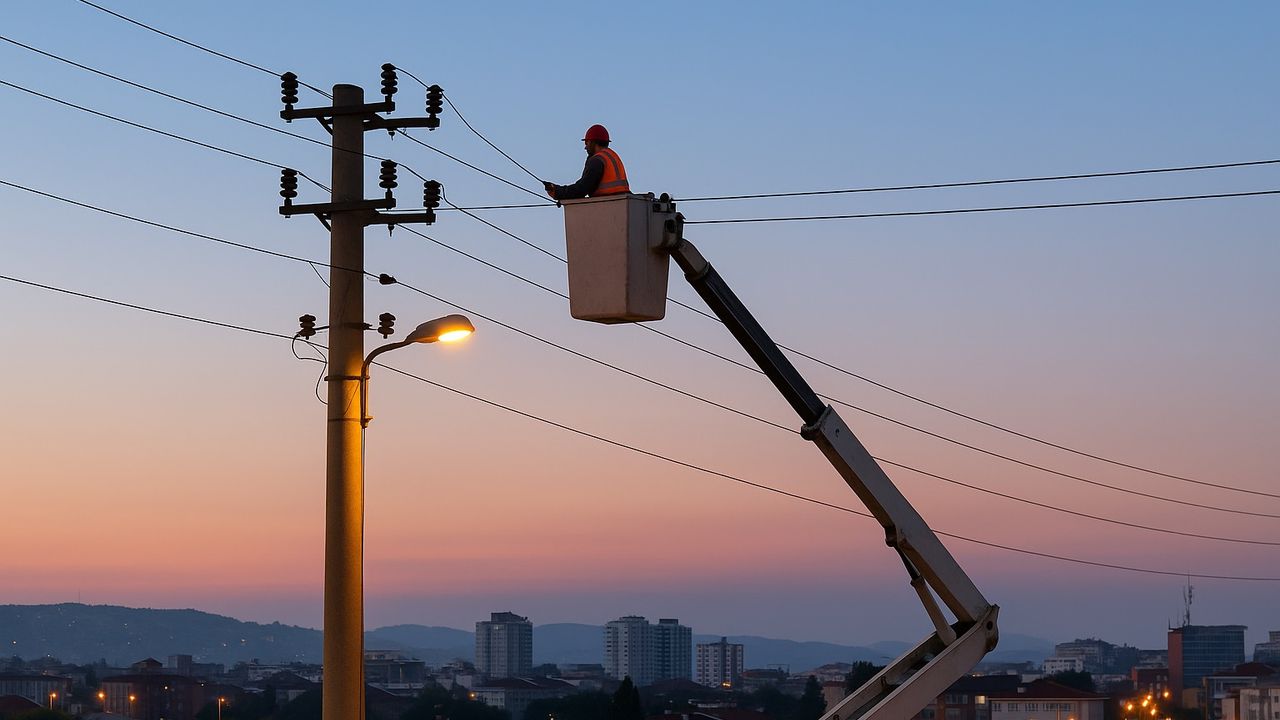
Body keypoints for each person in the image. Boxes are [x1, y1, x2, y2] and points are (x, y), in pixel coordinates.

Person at [543, 124, 630, 200]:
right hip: (622, 202)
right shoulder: (612, 156)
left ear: (593, 142)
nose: (585, 147)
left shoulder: (597, 160)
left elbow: (581, 189)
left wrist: (558, 192)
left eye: (586, 143)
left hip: (606, 205)